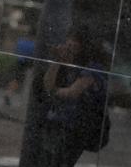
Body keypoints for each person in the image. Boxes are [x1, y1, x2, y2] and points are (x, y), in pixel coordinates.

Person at [40, 27, 109, 167]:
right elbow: (48, 84)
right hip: (58, 123)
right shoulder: (70, 65)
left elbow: (73, 92)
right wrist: (57, 61)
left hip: (76, 128)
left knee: (62, 161)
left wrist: (54, 91)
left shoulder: (93, 69)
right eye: (68, 43)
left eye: (74, 45)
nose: (69, 47)